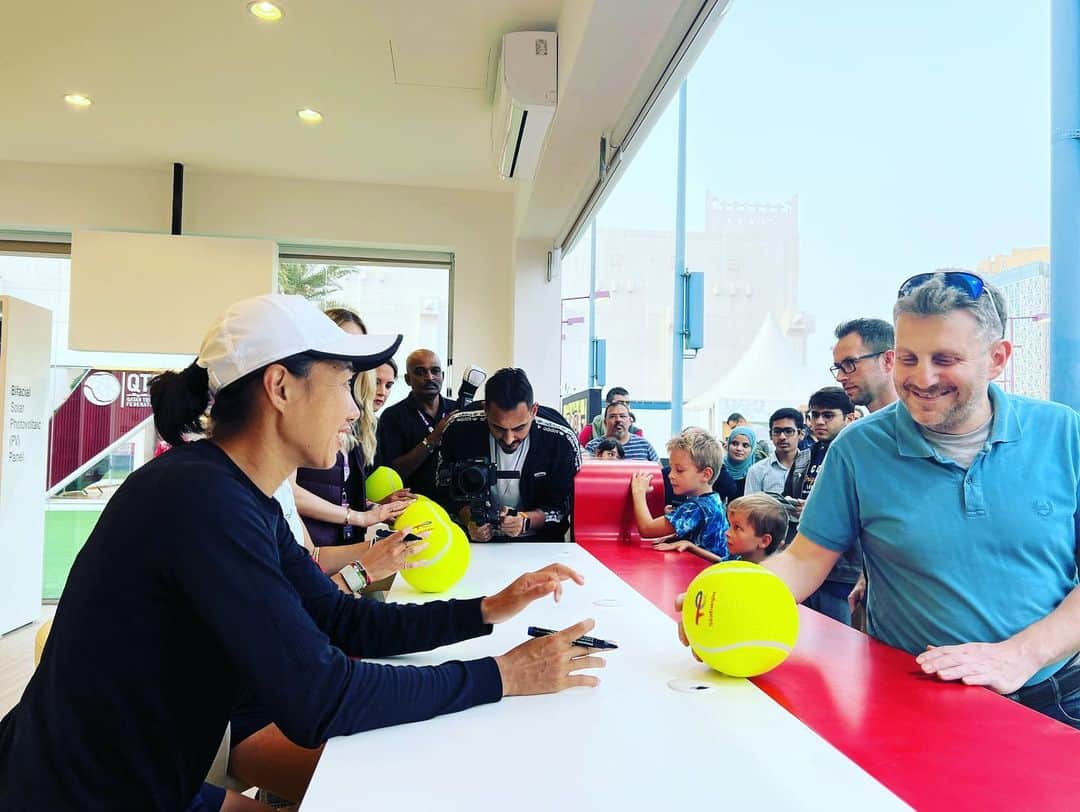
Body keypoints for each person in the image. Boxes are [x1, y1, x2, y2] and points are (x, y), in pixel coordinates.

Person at [0, 295, 605, 811]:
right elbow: (319, 697)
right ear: (281, 387)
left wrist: (487, 610)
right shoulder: (201, 500)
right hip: (75, 793)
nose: (354, 407)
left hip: (145, 777)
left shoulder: (239, 497)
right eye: (345, 383)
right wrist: (503, 675)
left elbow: (342, 618)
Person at [679, 270, 1080, 730]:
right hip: (911, 696)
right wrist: (728, 595)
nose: (922, 378)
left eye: (945, 359)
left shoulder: (1065, 433)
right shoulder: (858, 449)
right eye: (908, 358)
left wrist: (1019, 656)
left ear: (997, 358)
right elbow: (806, 559)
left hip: (1056, 695)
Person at [293, 308, 410, 547]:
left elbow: (339, 491)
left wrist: (376, 508)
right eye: (343, 343)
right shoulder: (299, 409)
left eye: (359, 347)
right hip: (310, 551)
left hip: (339, 548)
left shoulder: (358, 415)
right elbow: (288, 494)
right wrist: (359, 517)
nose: (352, 356)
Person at [438, 367, 581, 542]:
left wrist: (526, 520)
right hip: (473, 543)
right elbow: (443, 492)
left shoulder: (560, 439)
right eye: (498, 427)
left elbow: (565, 506)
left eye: (519, 428)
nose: (508, 438)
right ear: (485, 410)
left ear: (533, 411)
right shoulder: (458, 430)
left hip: (541, 544)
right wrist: (470, 520)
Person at [783, 386, 859, 624]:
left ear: (849, 417)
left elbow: (865, 509)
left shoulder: (857, 456)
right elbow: (787, 495)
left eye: (828, 415)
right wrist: (792, 506)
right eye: (814, 415)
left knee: (840, 641)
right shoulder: (805, 455)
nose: (819, 421)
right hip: (805, 560)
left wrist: (821, 510)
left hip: (845, 569)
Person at [633, 427, 729, 559]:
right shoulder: (714, 499)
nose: (671, 475)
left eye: (679, 470)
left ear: (706, 474)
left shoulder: (695, 507)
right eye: (671, 468)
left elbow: (646, 529)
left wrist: (638, 493)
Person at [374, 348, 455, 498]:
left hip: (457, 503)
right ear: (407, 379)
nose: (429, 377)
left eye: (435, 371)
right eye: (420, 372)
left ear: (442, 376)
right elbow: (393, 472)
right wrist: (433, 439)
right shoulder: (392, 416)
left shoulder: (457, 410)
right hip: (414, 504)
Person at [659, 493, 787, 564]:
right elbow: (722, 563)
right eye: (730, 525)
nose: (727, 533)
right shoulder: (741, 557)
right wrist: (691, 546)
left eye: (737, 528)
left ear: (764, 541)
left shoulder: (765, 577)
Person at [831, 318, 897, 413]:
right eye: (838, 367)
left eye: (850, 363)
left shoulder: (922, 424)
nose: (839, 377)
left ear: (887, 360)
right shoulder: (859, 428)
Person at [744, 408, 803, 496]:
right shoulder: (757, 471)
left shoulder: (811, 468)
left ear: (801, 434)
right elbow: (750, 507)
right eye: (777, 431)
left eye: (788, 431)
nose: (782, 437)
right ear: (770, 435)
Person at [585, 401, 659, 461]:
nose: (618, 420)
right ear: (605, 422)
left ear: (630, 421)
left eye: (622, 416)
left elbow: (659, 472)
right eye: (612, 416)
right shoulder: (592, 446)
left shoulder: (644, 445)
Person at [578, 386, 643, 446]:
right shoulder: (590, 431)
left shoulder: (636, 433)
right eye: (620, 402)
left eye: (627, 403)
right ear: (608, 404)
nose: (625, 406)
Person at [722, 426, 757, 499]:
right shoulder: (718, 468)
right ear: (728, 444)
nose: (739, 448)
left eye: (745, 445)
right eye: (735, 443)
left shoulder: (756, 472)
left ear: (752, 449)